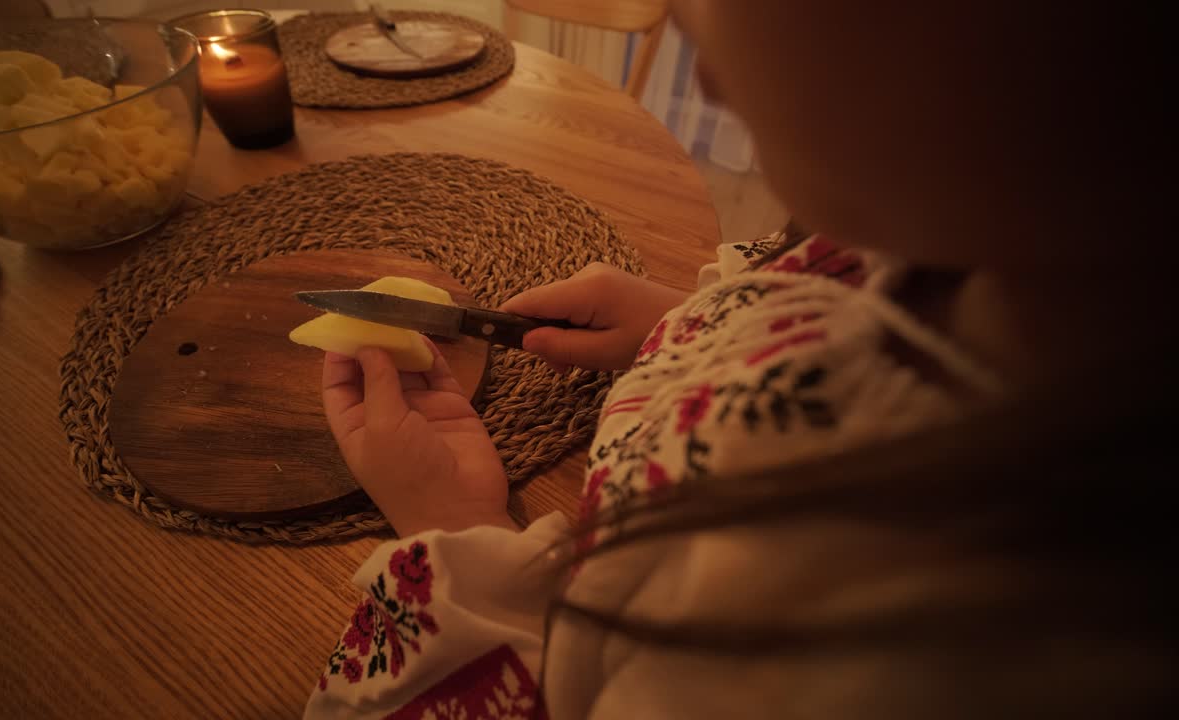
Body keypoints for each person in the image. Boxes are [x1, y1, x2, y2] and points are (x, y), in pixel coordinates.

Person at [304, 2, 1173, 718]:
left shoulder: (812, 638)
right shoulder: (978, 238)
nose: (679, 21)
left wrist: (455, 534)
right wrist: (692, 325)